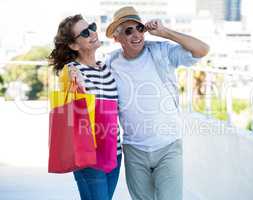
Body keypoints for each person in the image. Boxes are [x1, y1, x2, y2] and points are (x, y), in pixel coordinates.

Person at [105, 6, 209, 200]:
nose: (136, 35)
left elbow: (202, 50)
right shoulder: (110, 64)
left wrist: (165, 32)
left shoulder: (161, 51)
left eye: (140, 28)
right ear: (116, 38)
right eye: (129, 31)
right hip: (134, 149)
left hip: (168, 146)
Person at [48, 14, 122, 200]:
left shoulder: (105, 68)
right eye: (85, 32)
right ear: (74, 45)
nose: (93, 33)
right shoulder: (71, 71)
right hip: (88, 152)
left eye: (92, 27)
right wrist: (73, 82)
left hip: (114, 150)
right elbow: (69, 115)